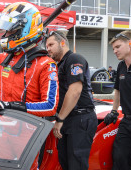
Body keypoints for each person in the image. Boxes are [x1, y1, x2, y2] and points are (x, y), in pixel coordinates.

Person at [45, 30, 97, 170]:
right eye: (46, 46)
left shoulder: (74, 59)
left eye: (51, 44)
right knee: (66, 163)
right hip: (68, 119)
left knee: (76, 165)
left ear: (62, 42)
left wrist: (60, 120)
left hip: (80, 118)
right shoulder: (60, 64)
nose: (48, 49)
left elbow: (75, 92)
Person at [104, 31, 131, 170]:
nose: (114, 51)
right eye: (113, 48)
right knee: (119, 159)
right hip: (127, 121)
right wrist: (114, 112)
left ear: (130, 43)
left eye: (118, 47)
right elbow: (117, 91)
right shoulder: (120, 66)